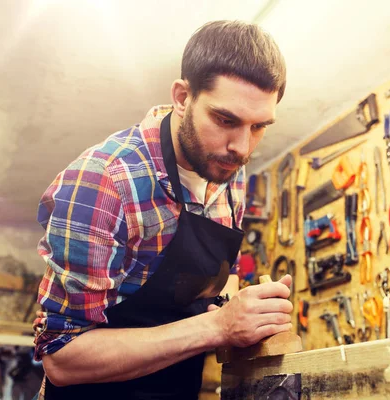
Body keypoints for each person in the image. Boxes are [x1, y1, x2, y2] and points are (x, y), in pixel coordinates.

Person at [32, 20, 290, 399]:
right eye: (225, 120)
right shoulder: (104, 183)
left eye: (258, 127)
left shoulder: (227, 166)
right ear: (183, 98)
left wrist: (247, 311)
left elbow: (224, 278)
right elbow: (62, 358)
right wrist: (218, 327)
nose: (242, 147)